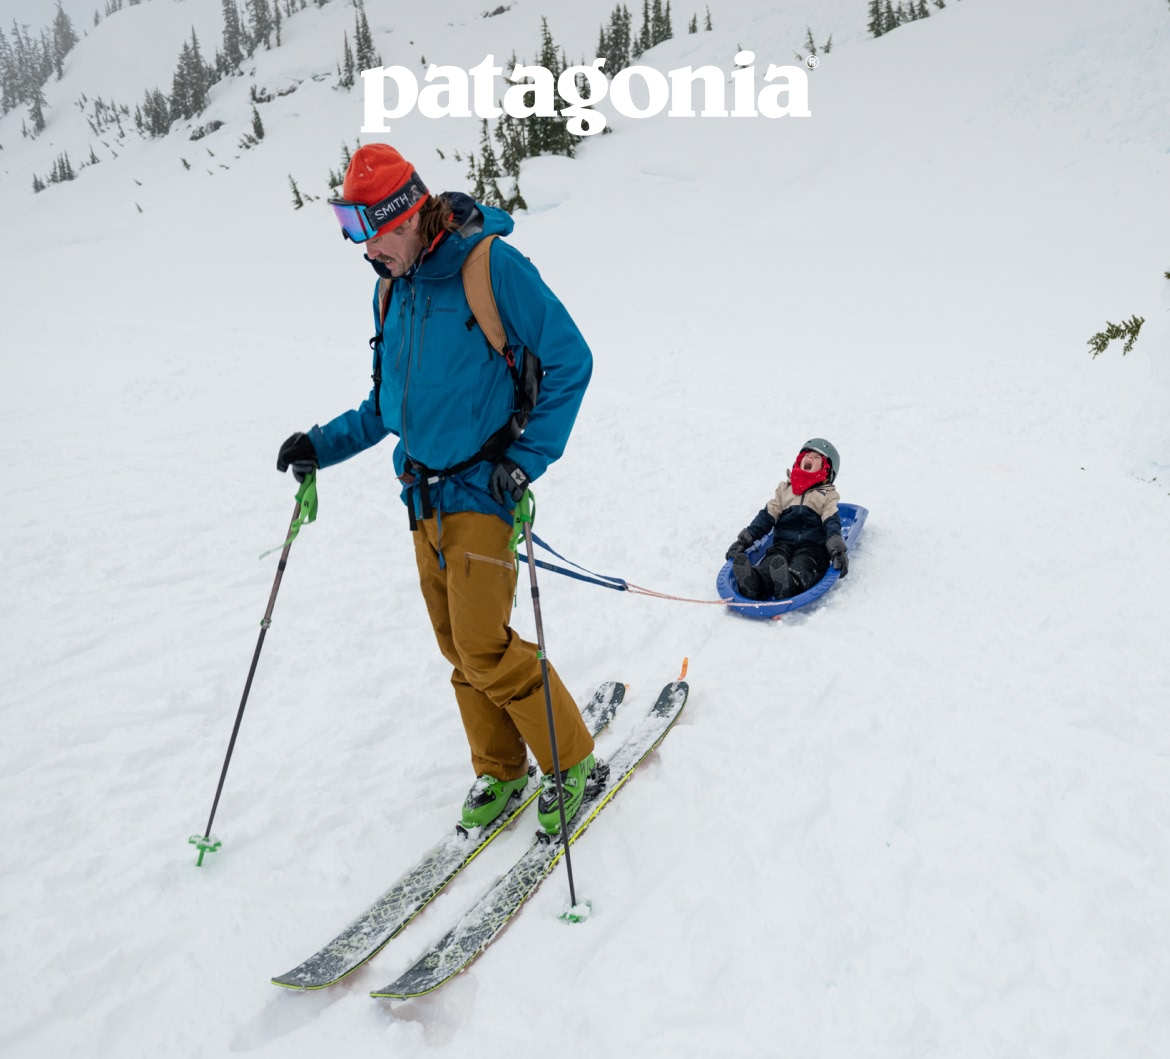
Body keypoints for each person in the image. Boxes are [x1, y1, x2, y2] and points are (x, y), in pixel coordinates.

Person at [276, 143, 596, 835]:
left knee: (484, 643)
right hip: (421, 498)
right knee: (458, 646)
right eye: (349, 229)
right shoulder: (392, 287)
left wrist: (525, 460)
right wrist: (319, 445)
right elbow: (387, 407)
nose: (363, 249)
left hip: (483, 488)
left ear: (407, 214)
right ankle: (502, 767)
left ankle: (572, 760)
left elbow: (572, 360)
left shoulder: (491, 268)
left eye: (369, 230)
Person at [725, 438, 849, 601]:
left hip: (811, 546)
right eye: (807, 455)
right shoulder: (785, 490)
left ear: (827, 471)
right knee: (775, 559)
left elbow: (831, 522)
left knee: (804, 562)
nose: (809, 458)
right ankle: (754, 582)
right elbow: (766, 516)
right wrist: (744, 540)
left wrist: (837, 550)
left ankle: (790, 583)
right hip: (783, 543)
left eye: (816, 458)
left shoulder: (827, 495)